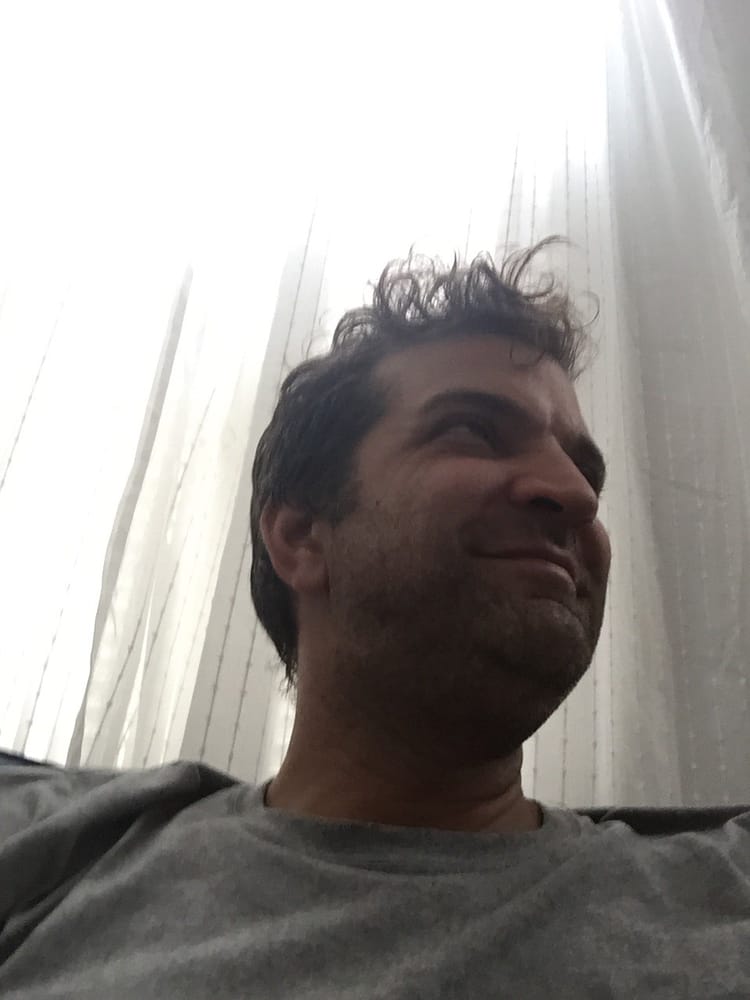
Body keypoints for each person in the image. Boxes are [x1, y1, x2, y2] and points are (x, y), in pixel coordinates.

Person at [1, 238, 748, 999]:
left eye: (586, 471)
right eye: (475, 430)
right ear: (300, 536)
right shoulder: (56, 842)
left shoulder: (724, 889)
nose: (578, 496)